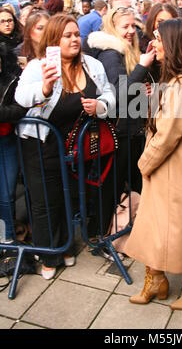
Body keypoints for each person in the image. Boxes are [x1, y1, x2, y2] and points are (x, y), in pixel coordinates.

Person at [15, 14, 116, 279]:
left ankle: (65, 246)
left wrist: (101, 106)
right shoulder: (40, 67)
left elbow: (110, 95)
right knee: (43, 202)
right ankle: (49, 255)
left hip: (74, 147)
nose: (74, 39)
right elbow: (21, 97)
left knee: (65, 197)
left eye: (76, 34)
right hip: (40, 144)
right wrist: (45, 88)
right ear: (53, 40)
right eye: (67, 35)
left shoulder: (91, 64)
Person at [125, 18, 182, 310]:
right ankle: (156, 280)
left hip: (175, 171)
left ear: (175, 45)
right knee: (156, 227)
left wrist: (144, 163)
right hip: (173, 169)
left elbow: (167, 137)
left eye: (160, 40)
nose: (154, 45)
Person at [83, 7, 156, 243]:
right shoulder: (111, 53)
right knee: (111, 186)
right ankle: (99, 235)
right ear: (113, 27)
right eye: (125, 26)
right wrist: (143, 67)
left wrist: (143, 90)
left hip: (130, 128)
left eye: (133, 26)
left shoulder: (127, 50)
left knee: (130, 182)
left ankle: (123, 227)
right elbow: (117, 92)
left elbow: (129, 87)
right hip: (118, 131)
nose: (130, 31)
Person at [0, 7, 25, 244]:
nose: (7, 24)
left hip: (7, 140)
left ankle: (7, 240)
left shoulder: (13, 76)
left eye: (10, 20)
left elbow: (21, 108)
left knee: (7, 193)